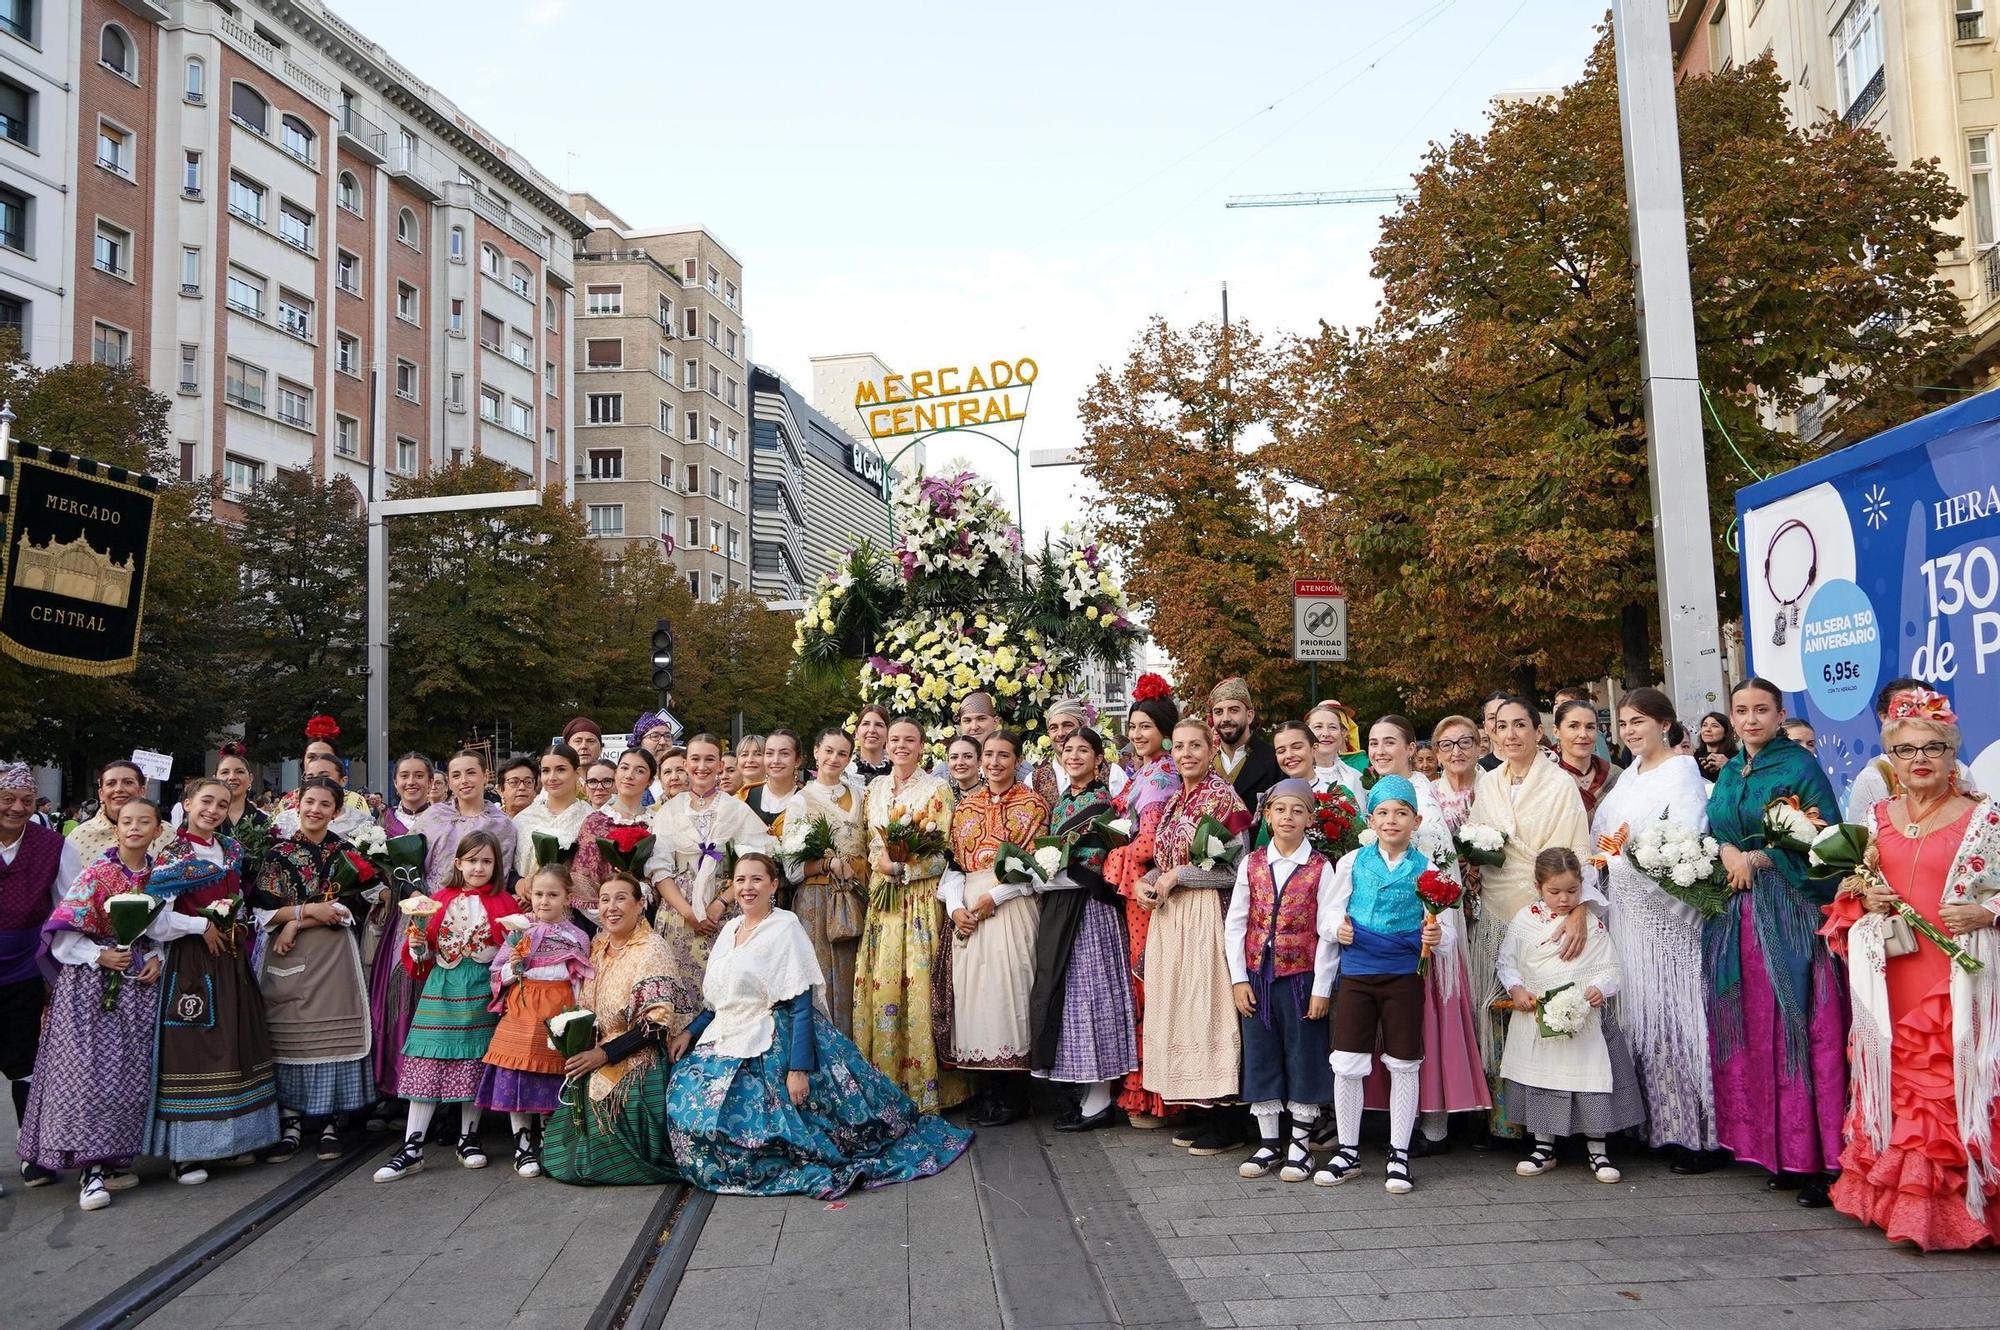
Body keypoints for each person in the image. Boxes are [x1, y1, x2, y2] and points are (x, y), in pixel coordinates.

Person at [666, 854, 973, 1196]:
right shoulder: (730, 930)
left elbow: (801, 1003)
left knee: (762, 1125)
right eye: (740, 880)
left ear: (773, 885)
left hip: (774, 1034)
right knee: (686, 1097)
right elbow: (722, 997)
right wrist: (690, 1031)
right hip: (727, 1032)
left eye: (756, 879)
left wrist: (798, 1069)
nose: (747, 887)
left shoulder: (785, 927)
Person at [1824, 688, 2000, 1249]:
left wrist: (1988, 912)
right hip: (1892, 976)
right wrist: (1865, 897)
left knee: (1948, 1086)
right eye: (1905, 750)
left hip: (1956, 980)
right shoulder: (1875, 819)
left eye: (1932, 748)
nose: (1919, 759)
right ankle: (1900, 1206)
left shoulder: (1985, 817)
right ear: (1891, 758)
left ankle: (1958, 1213)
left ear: (1952, 755)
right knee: (1895, 1082)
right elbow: (1850, 891)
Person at [1707, 676, 1845, 1207]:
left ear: (1779, 714)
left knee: (1796, 1024)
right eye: (1741, 710)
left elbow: (1827, 839)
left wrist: (1761, 857)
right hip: (1736, 916)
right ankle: (1776, 1153)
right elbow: (1717, 828)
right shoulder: (1730, 771)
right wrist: (1729, 854)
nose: (1750, 719)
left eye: (1761, 710)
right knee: (1750, 1026)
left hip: (1788, 911)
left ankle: (1818, 1160)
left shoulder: (1798, 766)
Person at [17, 797, 179, 1209]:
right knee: (89, 1072)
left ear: (157, 831)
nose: (135, 828)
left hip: (138, 985)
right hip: (91, 986)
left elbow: (159, 930)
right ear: (116, 828)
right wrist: (98, 954)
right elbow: (63, 935)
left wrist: (157, 956)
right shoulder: (96, 874)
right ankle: (89, 1169)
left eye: (144, 821)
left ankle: (114, 1161)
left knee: (130, 1073)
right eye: (127, 821)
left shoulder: (159, 879)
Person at [1590, 686, 1720, 1172]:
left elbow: (1686, 839)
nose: (1629, 731)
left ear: (1664, 725)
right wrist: (1605, 859)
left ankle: (1698, 1135)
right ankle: (1656, 1126)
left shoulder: (1682, 773)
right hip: (1627, 915)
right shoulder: (1628, 778)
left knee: (1678, 1018)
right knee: (1641, 1018)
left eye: (1638, 721)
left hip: (1668, 918)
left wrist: (1629, 861)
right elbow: (1603, 836)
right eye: (1623, 723)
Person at [1361, 717, 1489, 1156]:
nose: (1380, 751)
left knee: (1427, 1025)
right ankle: (1400, 1118)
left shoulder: (1423, 802)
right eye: (1373, 743)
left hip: (1423, 936)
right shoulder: (1378, 794)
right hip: (1384, 939)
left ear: (1411, 749)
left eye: (1389, 742)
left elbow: (1440, 875)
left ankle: (1433, 1123)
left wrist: (1434, 929)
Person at [144, 778, 282, 1181]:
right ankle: (187, 1152)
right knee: (195, 1048)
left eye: (222, 804)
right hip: (192, 963)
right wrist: (198, 925)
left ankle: (235, 1141)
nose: (213, 810)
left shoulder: (231, 849)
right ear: (187, 804)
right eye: (206, 801)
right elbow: (155, 919)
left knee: (237, 1043)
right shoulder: (174, 855)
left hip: (231, 959)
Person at [1315, 775, 1442, 1193]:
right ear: (1371, 820)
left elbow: (1444, 930)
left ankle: (1399, 1153)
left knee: (1404, 1061)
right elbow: (1328, 915)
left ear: (1415, 821)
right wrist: (1337, 929)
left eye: (1401, 813)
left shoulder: (1428, 869)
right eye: (1383, 813)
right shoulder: (1352, 862)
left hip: (1404, 975)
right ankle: (1348, 1151)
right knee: (1347, 1060)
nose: (1391, 820)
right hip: (1358, 973)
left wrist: (1436, 935)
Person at [1468, 697, 1594, 1090]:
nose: (1510, 734)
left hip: (1545, 913)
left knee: (1541, 1008)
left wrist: (1577, 910)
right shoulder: (1488, 782)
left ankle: (1550, 1103)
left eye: (1520, 725)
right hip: (1494, 905)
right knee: (1497, 1006)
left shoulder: (1559, 784)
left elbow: (1577, 850)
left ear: (1538, 732)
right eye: (1501, 726)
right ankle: (1502, 1107)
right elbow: (1477, 838)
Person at [1136, 718, 1250, 1155]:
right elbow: (1164, 861)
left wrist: (1177, 876)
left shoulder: (1225, 798)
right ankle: (1204, 1111)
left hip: (1208, 915)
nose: (1186, 754)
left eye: (1195, 746)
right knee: (1185, 1009)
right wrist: (1149, 881)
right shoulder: (1173, 801)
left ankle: (1230, 1119)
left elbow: (1238, 868)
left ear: (1211, 748)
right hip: (1173, 918)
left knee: (1211, 1008)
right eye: (1179, 747)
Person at [373, 830, 514, 1181]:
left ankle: (469, 1139)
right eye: (472, 860)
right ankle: (412, 1147)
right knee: (428, 1058)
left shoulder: (505, 903)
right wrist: (418, 945)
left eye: (486, 861)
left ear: (496, 866)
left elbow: (512, 950)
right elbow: (421, 957)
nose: (479, 867)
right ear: (458, 863)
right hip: (442, 986)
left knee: (473, 1060)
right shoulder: (439, 900)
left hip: (482, 989)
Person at [1497, 847, 1644, 1183]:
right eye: (1554, 892)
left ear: (1582, 886)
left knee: (1590, 1078)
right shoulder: (1525, 920)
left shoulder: (1591, 923)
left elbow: (1611, 966)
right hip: (1538, 1016)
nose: (1564, 899)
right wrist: (1516, 988)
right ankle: (1543, 1147)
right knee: (1543, 1078)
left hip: (1582, 1017)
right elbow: (1507, 961)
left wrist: (1600, 988)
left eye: (1572, 891)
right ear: (1538, 886)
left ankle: (1598, 1148)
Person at [254, 776, 375, 1162]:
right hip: (286, 953)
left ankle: (329, 1123)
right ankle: (290, 1123)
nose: (315, 810)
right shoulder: (278, 854)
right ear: (297, 805)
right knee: (288, 1035)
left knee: (331, 1036)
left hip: (333, 952)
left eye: (325, 804)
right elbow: (262, 910)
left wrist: (297, 921)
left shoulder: (346, 852)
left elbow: (352, 907)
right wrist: (299, 916)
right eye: (310, 802)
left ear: (336, 811)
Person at [1225, 779, 1335, 1181]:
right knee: (1261, 1053)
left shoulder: (1321, 867)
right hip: (1258, 975)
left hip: (1301, 976)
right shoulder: (1252, 863)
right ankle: (1269, 1142)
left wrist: (1322, 988)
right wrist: (1239, 978)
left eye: (1297, 810)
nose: (1288, 817)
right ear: (1267, 816)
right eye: (1280, 809)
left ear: (1310, 818)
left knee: (1304, 1054)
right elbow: (1236, 923)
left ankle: (1300, 1145)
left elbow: (1327, 931)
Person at [540, 872, 679, 1186]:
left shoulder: (651, 949)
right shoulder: (599, 943)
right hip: (599, 1048)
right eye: (604, 900)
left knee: (604, 1111)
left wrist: (603, 1054)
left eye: (621, 898)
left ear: (640, 904)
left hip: (638, 1052)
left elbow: (656, 1025)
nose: (611, 907)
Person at [856, 716, 965, 1114]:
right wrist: (881, 864)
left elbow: (944, 852)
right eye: (895, 739)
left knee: (919, 987)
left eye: (909, 740)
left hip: (918, 899)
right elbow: (869, 842)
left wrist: (902, 868)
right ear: (886, 746)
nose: (900, 745)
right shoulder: (874, 789)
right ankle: (885, 1081)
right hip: (883, 900)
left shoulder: (936, 789)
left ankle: (926, 1088)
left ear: (921, 747)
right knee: (883, 984)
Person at [1029, 729, 1137, 1131]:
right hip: (1061, 906)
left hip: (1089, 908)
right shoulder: (1062, 803)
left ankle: (1100, 1099)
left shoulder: (1101, 802)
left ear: (1098, 759)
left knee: (1092, 998)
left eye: (1083, 750)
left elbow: (1093, 862)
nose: (1073, 756)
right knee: (1070, 999)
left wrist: (1043, 878)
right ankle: (1088, 1094)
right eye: (1067, 749)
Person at [942, 731, 1049, 1126]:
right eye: (989, 754)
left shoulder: (1033, 804)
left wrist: (997, 896)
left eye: (1004, 755)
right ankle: (988, 1091)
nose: (994, 762)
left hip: (1012, 905)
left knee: (1010, 993)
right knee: (975, 997)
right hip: (971, 909)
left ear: (1017, 760)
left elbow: (1039, 868)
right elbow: (953, 866)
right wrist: (956, 907)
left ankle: (1016, 1095)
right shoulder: (965, 807)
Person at [1, 765, 94, 1191]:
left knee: (25, 1061)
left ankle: (32, 1151)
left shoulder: (54, 845)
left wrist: (77, 958)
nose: (17, 808)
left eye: (25, 800)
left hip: (25, 964)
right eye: (7, 799)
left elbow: (68, 907)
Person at [644, 734, 774, 1030]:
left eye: (709, 759)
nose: (702, 766)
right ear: (685, 763)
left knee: (727, 989)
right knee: (681, 992)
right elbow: (660, 870)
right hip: (679, 913)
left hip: (726, 911)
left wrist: (720, 903)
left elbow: (754, 864)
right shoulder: (670, 811)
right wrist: (690, 912)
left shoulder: (736, 810)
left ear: (720, 766)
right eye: (695, 759)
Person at [478, 864, 592, 1179]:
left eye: (553, 895)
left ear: (567, 897)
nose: (544, 901)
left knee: (551, 1075)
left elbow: (580, 979)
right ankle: (523, 1144)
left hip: (557, 1010)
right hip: (523, 1007)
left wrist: (579, 1016)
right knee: (517, 1073)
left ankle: (549, 1140)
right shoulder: (519, 930)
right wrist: (513, 967)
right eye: (539, 894)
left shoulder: (577, 936)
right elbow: (497, 973)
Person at [1104, 683, 1183, 1125]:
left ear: (1165, 732)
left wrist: (1115, 853)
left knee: (1147, 981)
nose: (1137, 734)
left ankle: (1155, 1096)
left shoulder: (1159, 777)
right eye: (1133, 726)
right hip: (1140, 890)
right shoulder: (1148, 770)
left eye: (1146, 726)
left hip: (1147, 891)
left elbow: (1149, 843)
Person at [785, 728, 868, 1037]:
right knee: (821, 977)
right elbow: (792, 868)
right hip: (818, 899)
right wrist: (826, 864)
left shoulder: (860, 795)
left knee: (855, 976)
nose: (834, 758)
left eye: (842, 753)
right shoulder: (801, 801)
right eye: (829, 751)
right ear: (816, 752)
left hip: (856, 894)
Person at [1844, 676, 1980, 824]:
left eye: (1932, 748)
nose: (1920, 758)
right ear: (1884, 717)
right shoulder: (1873, 778)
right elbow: (1860, 834)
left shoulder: (1960, 770)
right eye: (1905, 708)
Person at [415, 750, 518, 891]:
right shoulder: (433, 815)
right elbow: (408, 860)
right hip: (431, 901)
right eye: (456, 775)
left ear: (486, 776)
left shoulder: (501, 824)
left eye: (471, 773)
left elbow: (501, 875)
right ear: (449, 782)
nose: (464, 780)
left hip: (482, 902)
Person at [572, 747, 658, 908]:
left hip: (648, 910)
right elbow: (584, 877)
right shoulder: (595, 821)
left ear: (650, 781)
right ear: (616, 773)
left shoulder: (657, 822)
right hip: (601, 912)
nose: (629, 775)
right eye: (624, 768)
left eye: (639, 771)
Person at [513, 742, 592, 882]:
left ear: (577, 773)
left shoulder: (590, 819)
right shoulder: (522, 819)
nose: (552, 777)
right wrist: (520, 885)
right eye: (546, 771)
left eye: (561, 770)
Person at [68, 760, 168, 865]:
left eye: (128, 782)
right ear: (101, 794)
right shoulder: (78, 838)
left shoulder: (168, 834)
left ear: (142, 791)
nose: (119, 789)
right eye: (111, 784)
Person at [1208, 677, 1280, 805]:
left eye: (1233, 710)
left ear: (1249, 716)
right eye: (1218, 712)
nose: (1226, 718)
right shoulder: (1203, 761)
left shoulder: (1273, 760)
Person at [1553, 699, 1620, 819]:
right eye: (1573, 726)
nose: (1583, 734)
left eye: (1590, 727)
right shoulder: (1546, 777)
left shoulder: (1616, 776)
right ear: (1556, 731)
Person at [739, 729, 804, 829]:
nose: (776, 760)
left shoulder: (807, 801)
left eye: (784, 754)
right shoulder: (744, 797)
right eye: (769, 753)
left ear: (798, 761)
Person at [1430, 716, 1482, 835]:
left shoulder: (1497, 787)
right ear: (1437, 754)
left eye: (1465, 742)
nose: (1456, 752)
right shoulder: (1429, 794)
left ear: (1478, 748)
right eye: (1447, 745)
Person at [382, 753, 434, 838]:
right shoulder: (383, 821)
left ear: (430, 782)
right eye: (404, 776)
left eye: (419, 776)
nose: (411, 782)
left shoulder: (443, 820)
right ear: (395, 782)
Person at [850, 704, 893, 785]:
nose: (872, 730)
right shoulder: (843, 771)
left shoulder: (899, 771)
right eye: (865, 724)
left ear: (888, 733)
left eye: (879, 725)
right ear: (856, 732)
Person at [1694, 711, 1736, 781]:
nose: (1707, 729)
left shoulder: (1737, 758)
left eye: (1714, 726)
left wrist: (1729, 766)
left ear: (1725, 733)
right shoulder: (1695, 756)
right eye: (1704, 725)